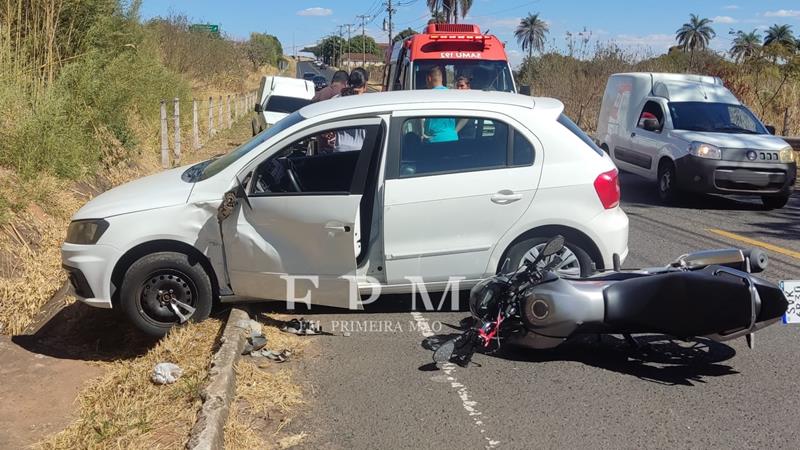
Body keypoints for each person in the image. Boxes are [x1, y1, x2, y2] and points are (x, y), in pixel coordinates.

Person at [423, 66, 458, 143]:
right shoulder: (452, 95)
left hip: (436, 141)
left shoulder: (428, 96)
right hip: (453, 138)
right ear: (441, 78)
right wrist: (456, 130)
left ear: (429, 79)